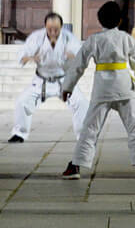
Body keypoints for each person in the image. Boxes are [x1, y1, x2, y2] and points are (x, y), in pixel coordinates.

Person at [59, 1, 135, 180]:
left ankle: (76, 166)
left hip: (102, 90)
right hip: (124, 87)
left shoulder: (94, 40)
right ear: (120, 20)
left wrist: (68, 87)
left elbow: (78, 66)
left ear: (100, 21)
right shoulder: (126, 39)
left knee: (90, 129)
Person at [7, 12, 87, 143]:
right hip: (41, 80)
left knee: (81, 103)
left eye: (56, 29)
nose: (53, 32)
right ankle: (19, 133)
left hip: (63, 79)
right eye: (49, 29)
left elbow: (80, 55)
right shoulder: (37, 37)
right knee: (22, 102)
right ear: (45, 26)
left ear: (61, 27)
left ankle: (82, 135)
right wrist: (31, 58)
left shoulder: (68, 37)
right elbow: (22, 55)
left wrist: (72, 56)